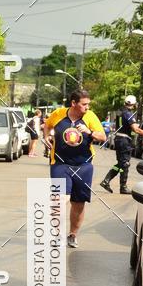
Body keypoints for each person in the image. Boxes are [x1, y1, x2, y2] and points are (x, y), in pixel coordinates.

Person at [43, 89, 106, 249]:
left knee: (78, 203)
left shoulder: (90, 117)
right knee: (59, 199)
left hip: (83, 165)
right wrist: (45, 137)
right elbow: (47, 125)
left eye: (88, 104)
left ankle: (72, 235)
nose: (87, 107)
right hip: (60, 163)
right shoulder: (58, 114)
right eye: (84, 104)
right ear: (73, 103)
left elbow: (103, 137)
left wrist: (90, 132)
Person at [99, 95, 143, 194]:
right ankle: (123, 187)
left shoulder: (120, 112)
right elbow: (136, 129)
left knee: (121, 164)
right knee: (125, 164)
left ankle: (106, 180)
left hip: (119, 139)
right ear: (133, 104)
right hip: (124, 140)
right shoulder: (128, 114)